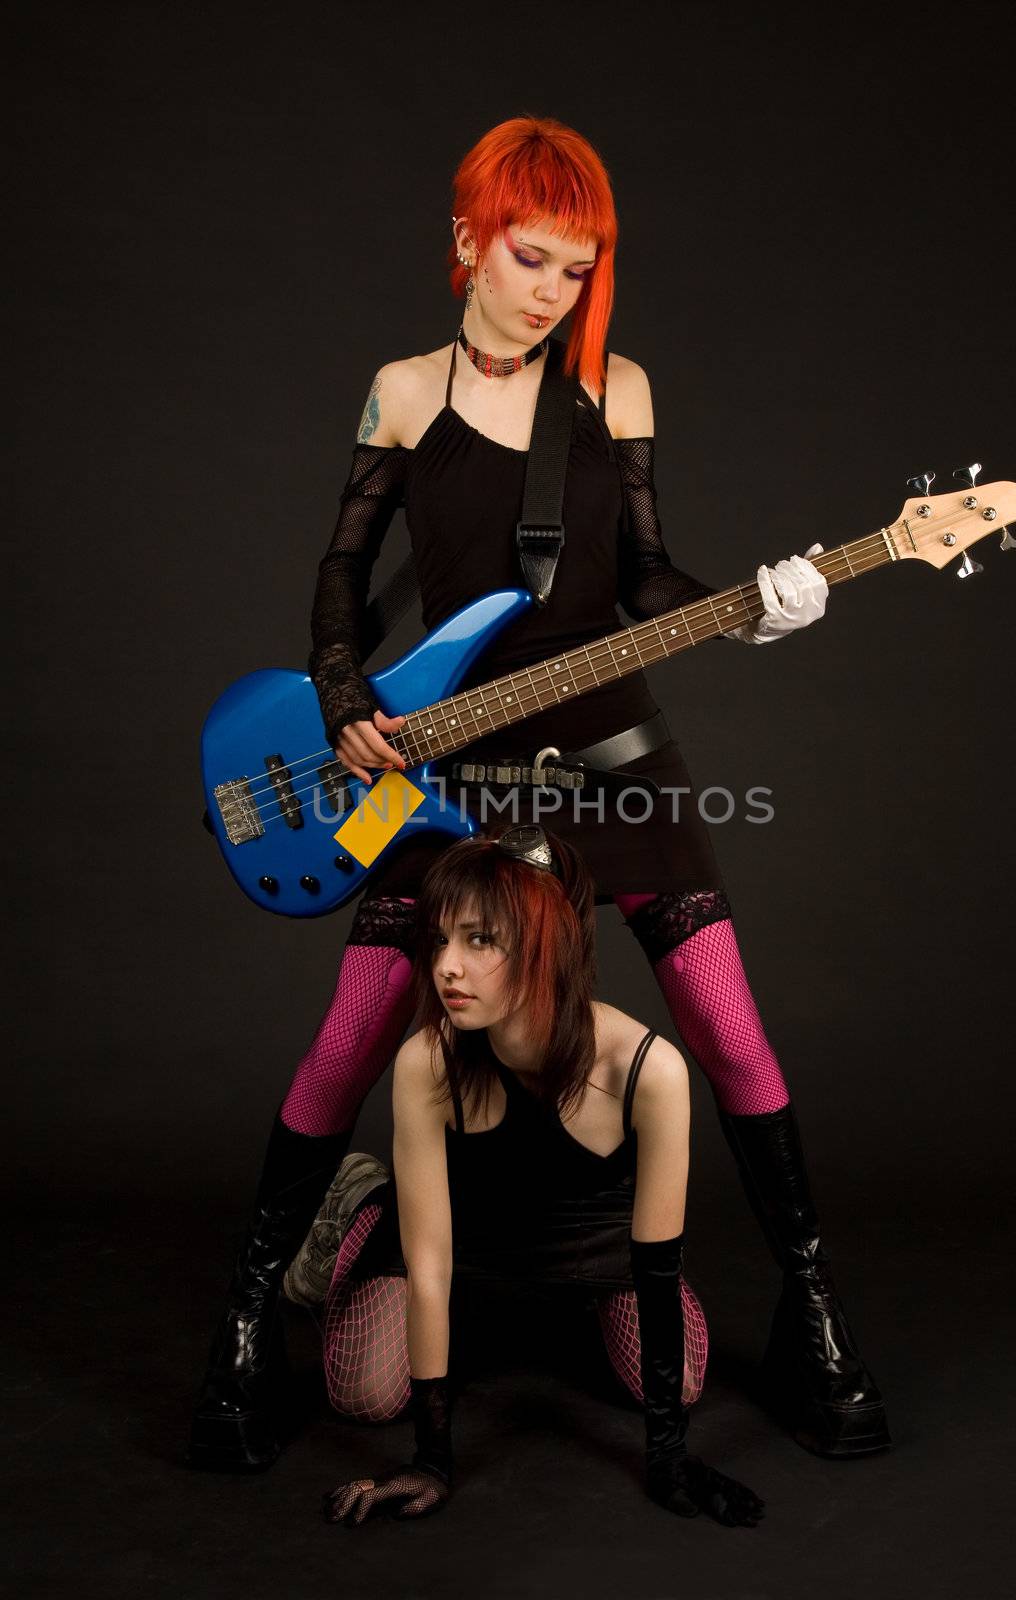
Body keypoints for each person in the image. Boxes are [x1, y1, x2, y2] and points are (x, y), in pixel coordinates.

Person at [188, 115, 888, 1473]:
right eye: (531, 256)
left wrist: (765, 611)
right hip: (447, 769)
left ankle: (812, 1311)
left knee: (733, 1032)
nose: (555, 289)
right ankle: (241, 1320)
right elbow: (343, 571)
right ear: (466, 241)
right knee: (348, 1041)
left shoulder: (613, 389)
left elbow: (646, 583)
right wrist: (344, 704)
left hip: (615, 757)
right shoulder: (401, 390)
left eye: (580, 266)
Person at [301, 825, 763, 1527]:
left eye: (480, 940)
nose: (447, 967)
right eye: (442, 939)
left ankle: (555, 1305)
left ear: (548, 945)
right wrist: (433, 1457)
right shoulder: (428, 1062)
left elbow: (658, 1268)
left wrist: (668, 1455)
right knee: (363, 1393)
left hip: (592, 1248)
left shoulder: (647, 1070)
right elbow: (429, 1265)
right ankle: (354, 1202)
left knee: (681, 1381)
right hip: (460, 1240)